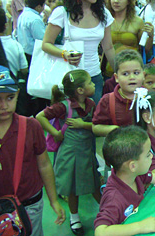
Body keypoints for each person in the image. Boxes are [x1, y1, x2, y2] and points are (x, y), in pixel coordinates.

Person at [0, 65, 65, 235]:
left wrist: (53, 200)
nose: (4, 105)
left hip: (29, 203)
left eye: (10, 97)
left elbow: (44, 164)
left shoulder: (30, 126)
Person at [36, 70, 100, 234]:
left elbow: (95, 123)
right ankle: (74, 217)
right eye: (90, 83)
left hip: (87, 152)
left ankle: (106, 210)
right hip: (70, 154)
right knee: (73, 188)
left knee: (94, 184)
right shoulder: (63, 107)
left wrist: (84, 125)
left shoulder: (91, 104)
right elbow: (40, 117)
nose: (93, 85)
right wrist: (55, 133)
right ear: (80, 90)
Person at [42, 0, 115, 105]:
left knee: (92, 119)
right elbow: (46, 44)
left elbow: (109, 47)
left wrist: (119, 72)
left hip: (93, 77)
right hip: (70, 78)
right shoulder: (63, 13)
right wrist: (64, 54)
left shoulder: (104, 13)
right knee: (67, 121)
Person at [103, 0, 153, 79]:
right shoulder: (105, 21)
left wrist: (150, 36)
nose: (116, 1)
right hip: (108, 72)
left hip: (131, 72)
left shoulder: (137, 22)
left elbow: (145, 49)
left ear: (128, 1)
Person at [93, 50, 144, 137]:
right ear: (116, 77)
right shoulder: (107, 100)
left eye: (136, 73)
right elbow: (96, 127)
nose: (132, 77)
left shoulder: (151, 97)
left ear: (143, 75)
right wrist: (114, 130)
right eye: (125, 74)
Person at [17, 0, 46, 64]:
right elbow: (42, 39)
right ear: (39, 6)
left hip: (24, 50)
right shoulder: (35, 19)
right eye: (44, 5)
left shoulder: (23, 14)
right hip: (33, 54)